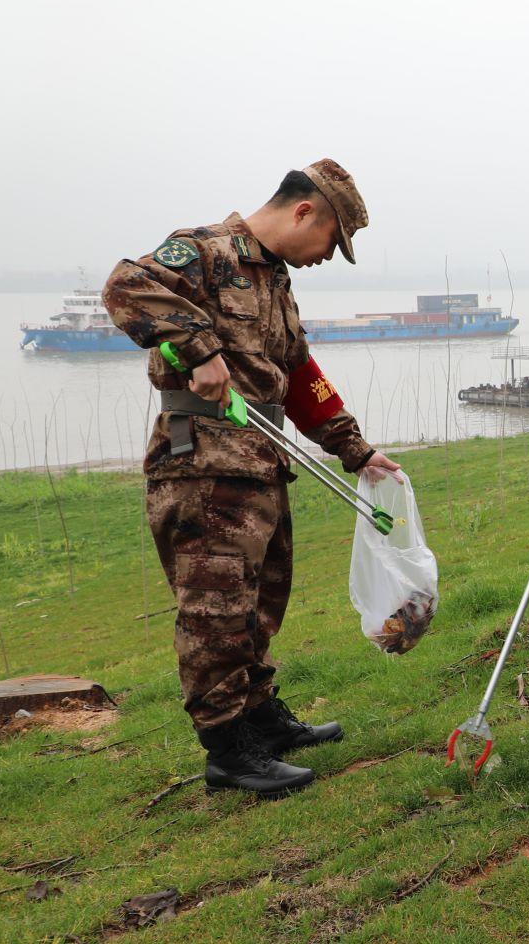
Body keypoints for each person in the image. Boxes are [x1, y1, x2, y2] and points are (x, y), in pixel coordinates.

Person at [102, 159, 400, 796]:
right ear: (304, 211)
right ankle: (228, 749)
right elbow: (124, 286)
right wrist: (200, 347)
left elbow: (299, 375)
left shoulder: (276, 281)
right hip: (203, 465)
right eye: (332, 241)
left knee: (259, 603)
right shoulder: (204, 252)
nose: (328, 256)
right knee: (215, 609)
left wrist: (356, 451)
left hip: (260, 463)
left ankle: (261, 720)